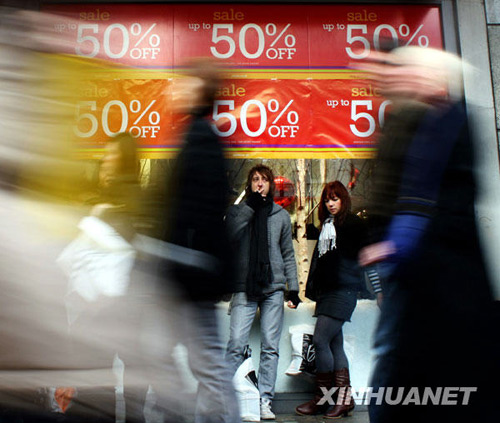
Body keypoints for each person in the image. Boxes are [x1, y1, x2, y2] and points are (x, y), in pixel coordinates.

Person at [358, 47, 499, 423]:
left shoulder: (446, 123)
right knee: (406, 355)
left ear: (436, 79)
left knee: (403, 354)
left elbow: (434, 199)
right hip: (423, 267)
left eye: (415, 72)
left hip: (436, 269)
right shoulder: (430, 121)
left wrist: (397, 243)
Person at [157, 58, 240, 423]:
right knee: (196, 358)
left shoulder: (201, 138)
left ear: (198, 90)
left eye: (182, 83)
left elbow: (197, 213)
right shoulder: (196, 135)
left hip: (193, 273)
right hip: (190, 270)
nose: (174, 89)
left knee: (205, 360)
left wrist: (180, 258)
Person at [225, 164, 300, 421]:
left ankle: (264, 400)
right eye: (255, 179)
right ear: (250, 184)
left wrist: (293, 288)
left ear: (271, 185)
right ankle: (225, 398)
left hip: (273, 288)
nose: (260, 184)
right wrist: (250, 207)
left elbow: (288, 254)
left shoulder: (280, 215)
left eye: (264, 180)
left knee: (270, 347)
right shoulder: (239, 211)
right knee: (236, 344)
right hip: (244, 286)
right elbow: (230, 235)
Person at [295, 181, 373, 419]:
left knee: (320, 340)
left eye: (335, 199)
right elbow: (322, 264)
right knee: (334, 344)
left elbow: (368, 256)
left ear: (343, 199)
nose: (330, 204)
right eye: (327, 200)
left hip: (344, 292)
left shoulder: (353, 224)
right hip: (327, 293)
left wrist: (378, 289)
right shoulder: (327, 226)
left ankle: (323, 399)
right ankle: (343, 400)